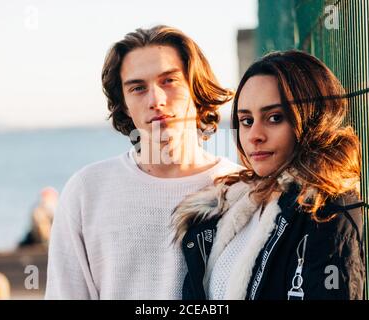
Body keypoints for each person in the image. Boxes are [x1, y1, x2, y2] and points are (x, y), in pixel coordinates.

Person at [45, 25, 242, 299]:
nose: (156, 100)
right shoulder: (86, 191)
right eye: (138, 88)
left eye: (169, 81)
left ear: (195, 87)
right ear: (124, 104)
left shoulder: (242, 189)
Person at [173, 50, 365, 300]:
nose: (255, 135)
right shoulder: (234, 203)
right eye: (246, 120)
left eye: (274, 118)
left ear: (312, 120)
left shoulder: (326, 212)